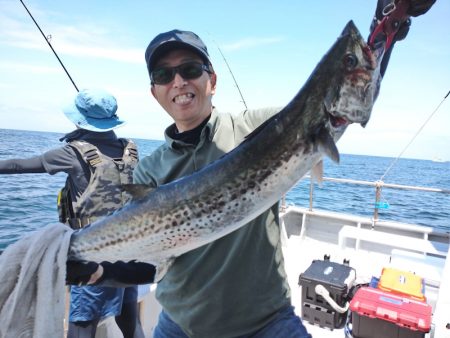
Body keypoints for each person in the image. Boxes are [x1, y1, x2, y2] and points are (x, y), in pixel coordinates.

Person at [69, 1, 436, 337]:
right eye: (164, 75)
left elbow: (347, 98)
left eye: (190, 69)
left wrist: (385, 28)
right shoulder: (150, 170)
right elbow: (152, 261)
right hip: (179, 325)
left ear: (212, 80)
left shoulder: (260, 128)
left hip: (267, 322)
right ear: (155, 92)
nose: (178, 81)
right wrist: (94, 268)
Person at [0, 88, 144, 338]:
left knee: (82, 323)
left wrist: (79, 139)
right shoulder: (130, 149)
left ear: (80, 119)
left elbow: (18, 165)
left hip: (94, 248)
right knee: (129, 317)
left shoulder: (73, 152)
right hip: (131, 246)